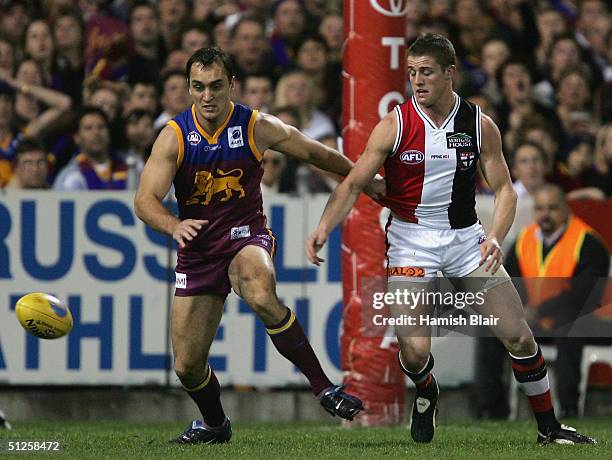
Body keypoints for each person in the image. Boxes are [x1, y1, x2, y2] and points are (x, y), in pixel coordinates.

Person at [306, 33, 595, 445]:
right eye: (411, 73)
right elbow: (354, 183)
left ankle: (549, 429)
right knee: (416, 352)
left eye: (426, 72)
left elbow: (507, 190)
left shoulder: (479, 125)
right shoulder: (395, 124)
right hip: (410, 240)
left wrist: (495, 235)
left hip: (466, 240)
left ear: (449, 74)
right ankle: (427, 390)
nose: (417, 81)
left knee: (518, 335)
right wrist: (323, 227)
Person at [134, 47, 379, 445]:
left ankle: (323, 387)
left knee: (259, 290)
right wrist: (173, 224)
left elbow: (316, 152)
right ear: (189, 89)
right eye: (198, 87)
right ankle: (216, 425)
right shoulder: (174, 136)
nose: (207, 96)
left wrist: (365, 178)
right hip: (197, 250)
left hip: (245, 236)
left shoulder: (255, 125)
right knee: (187, 366)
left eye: (216, 86)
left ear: (232, 84)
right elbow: (145, 200)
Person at [476, 185, 610, 418]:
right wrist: (516, 312)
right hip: (537, 319)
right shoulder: (524, 240)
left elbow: (584, 295)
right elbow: (510, 283)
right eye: (540, 208)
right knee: (492, 323)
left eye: (552, 208)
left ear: (566, 209)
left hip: (586, 321)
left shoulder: (588, 242)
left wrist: (537, 311)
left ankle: (568, 408)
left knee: (570, 323)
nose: (545, 214)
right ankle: (492, 409)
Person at [53, 107, 127, 191]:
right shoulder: (68, 176)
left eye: (101, 127)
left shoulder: (131, 168)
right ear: (76, 137)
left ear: (109, 133)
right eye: (88, 128)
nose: (96, 133)